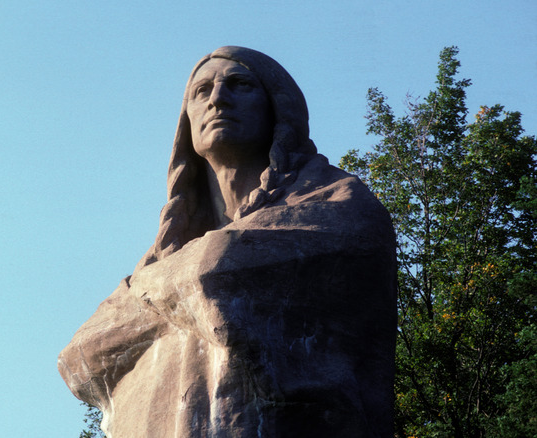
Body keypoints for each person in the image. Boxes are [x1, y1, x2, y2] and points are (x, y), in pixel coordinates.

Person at [59, 46, 396, 437]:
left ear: (277, 109)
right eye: (202, 91)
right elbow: (79, 359)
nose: (218, 97)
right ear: (186, 120)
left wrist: (148, 300)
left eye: (239, 84)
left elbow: (217, 271)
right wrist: (180, 281)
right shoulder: (163, 253)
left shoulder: (338, 203)